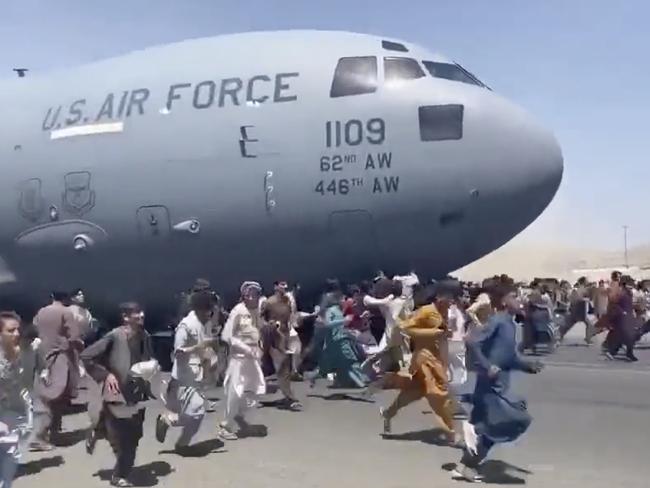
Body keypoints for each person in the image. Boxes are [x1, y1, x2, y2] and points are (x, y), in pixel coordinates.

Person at [453, 284, 543, 483]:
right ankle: (471, 434)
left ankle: (466, 464)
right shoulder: (497, 321)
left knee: (492, 426)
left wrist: (526, 366)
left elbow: (508, 357)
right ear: (503, 301)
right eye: (514, 296)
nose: (519, 300)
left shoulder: (510, 324)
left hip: (500, 384)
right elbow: (471, 342)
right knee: (513, 421)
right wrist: (487, 366)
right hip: (490, 385)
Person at [81, 303, 155, 487]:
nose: (141, 315)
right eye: (136, 312)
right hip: (115, 394)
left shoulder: (145, 337)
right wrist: (106, 375)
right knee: (125, 440)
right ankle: (119, 475)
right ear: (125, 317)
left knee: (135, 435)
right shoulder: (114, 337)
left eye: (142, 311)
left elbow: (150, 360)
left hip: (137, 395)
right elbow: (86, 356)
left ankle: (97, 430)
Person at [379, 282, 457, 444]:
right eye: (449, 298)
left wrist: (445, 335)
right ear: (440, 297)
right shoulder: (426, 311)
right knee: (438, 393)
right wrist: (433, 333)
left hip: (436, 357)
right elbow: (404, 328)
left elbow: (442, 335)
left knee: (413, 392)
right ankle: (451, 432)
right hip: (424, 358)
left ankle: (388, 413)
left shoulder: (444, 312)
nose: (451, 302)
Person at [156, 290, 216, 454]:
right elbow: (177, 352)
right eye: (207, 309)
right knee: (197, 412)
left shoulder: (204, 324)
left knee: (194, 413)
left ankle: (178, 437)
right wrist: (198, 348)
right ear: (199, 308)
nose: (209, 312)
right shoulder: (186, 325)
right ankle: (174, 431)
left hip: (197, 376)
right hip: (184, 377)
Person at [31, 291, 82, 451]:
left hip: (42, 356)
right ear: (67, 298)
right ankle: (39, 436)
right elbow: (74, 336)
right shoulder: (66, 312)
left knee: (47, 394)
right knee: (55, 395)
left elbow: (34, 329)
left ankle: (53, 432)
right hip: (61, 357)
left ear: (52, 297)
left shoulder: (42, 311)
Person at [217, 282, 266, 441]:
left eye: (255, 293)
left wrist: (260, 348)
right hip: (239, 358)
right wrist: (245, 348)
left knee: (254, 390)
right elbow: (226, 336)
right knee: (235, 392)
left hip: (253, 358)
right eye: (248, 293)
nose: (252, 296)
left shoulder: (257, 311)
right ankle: (225, 426)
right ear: (243, 294)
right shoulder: (238, 311)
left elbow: (258, 332)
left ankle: (239, 415)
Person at [0, 312, 33, 488]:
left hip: (12, 417)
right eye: (11, 331)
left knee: (8, 469)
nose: (17, 334)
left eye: (18, 330)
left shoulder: (15, 355)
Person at [260, 280, 302, 411]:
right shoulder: (269, 302)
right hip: (273, 337)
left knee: (285, 367)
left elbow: (291, 318)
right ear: (275, 287)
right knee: (282, 366)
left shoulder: (287, 301)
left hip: (285, 336)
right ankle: (290, 399)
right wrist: (269, 325)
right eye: (281, 284)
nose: (284, 287)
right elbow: (260, 319)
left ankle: (287, 396)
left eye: (285, 285)